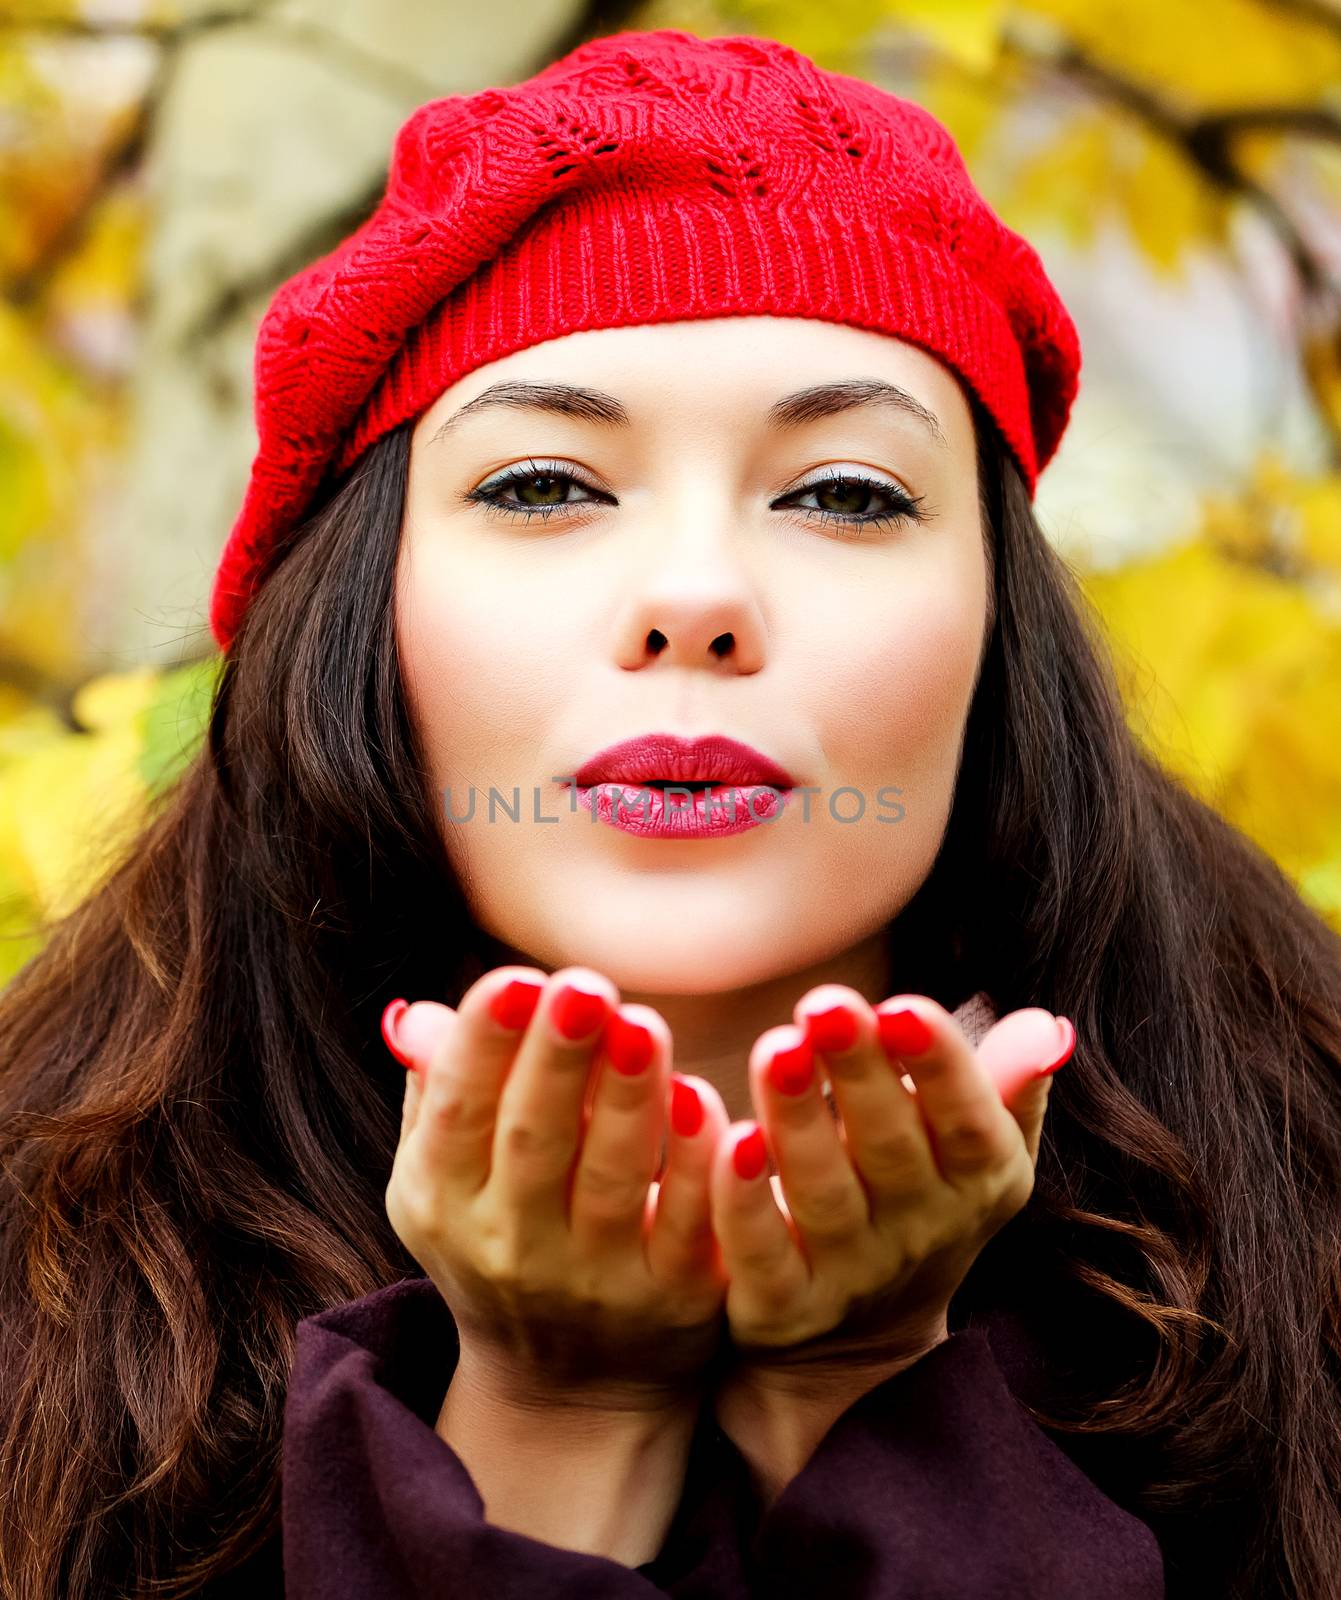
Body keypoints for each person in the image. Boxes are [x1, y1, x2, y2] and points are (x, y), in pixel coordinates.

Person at [1, 25, 1338, 1600]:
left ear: (1002, 624)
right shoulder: (49, 1263)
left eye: (842, 491)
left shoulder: (1304, 1213)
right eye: (545, 485)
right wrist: (551, 1419)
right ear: (357, 611)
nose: (694, 598)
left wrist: (870, 1396)